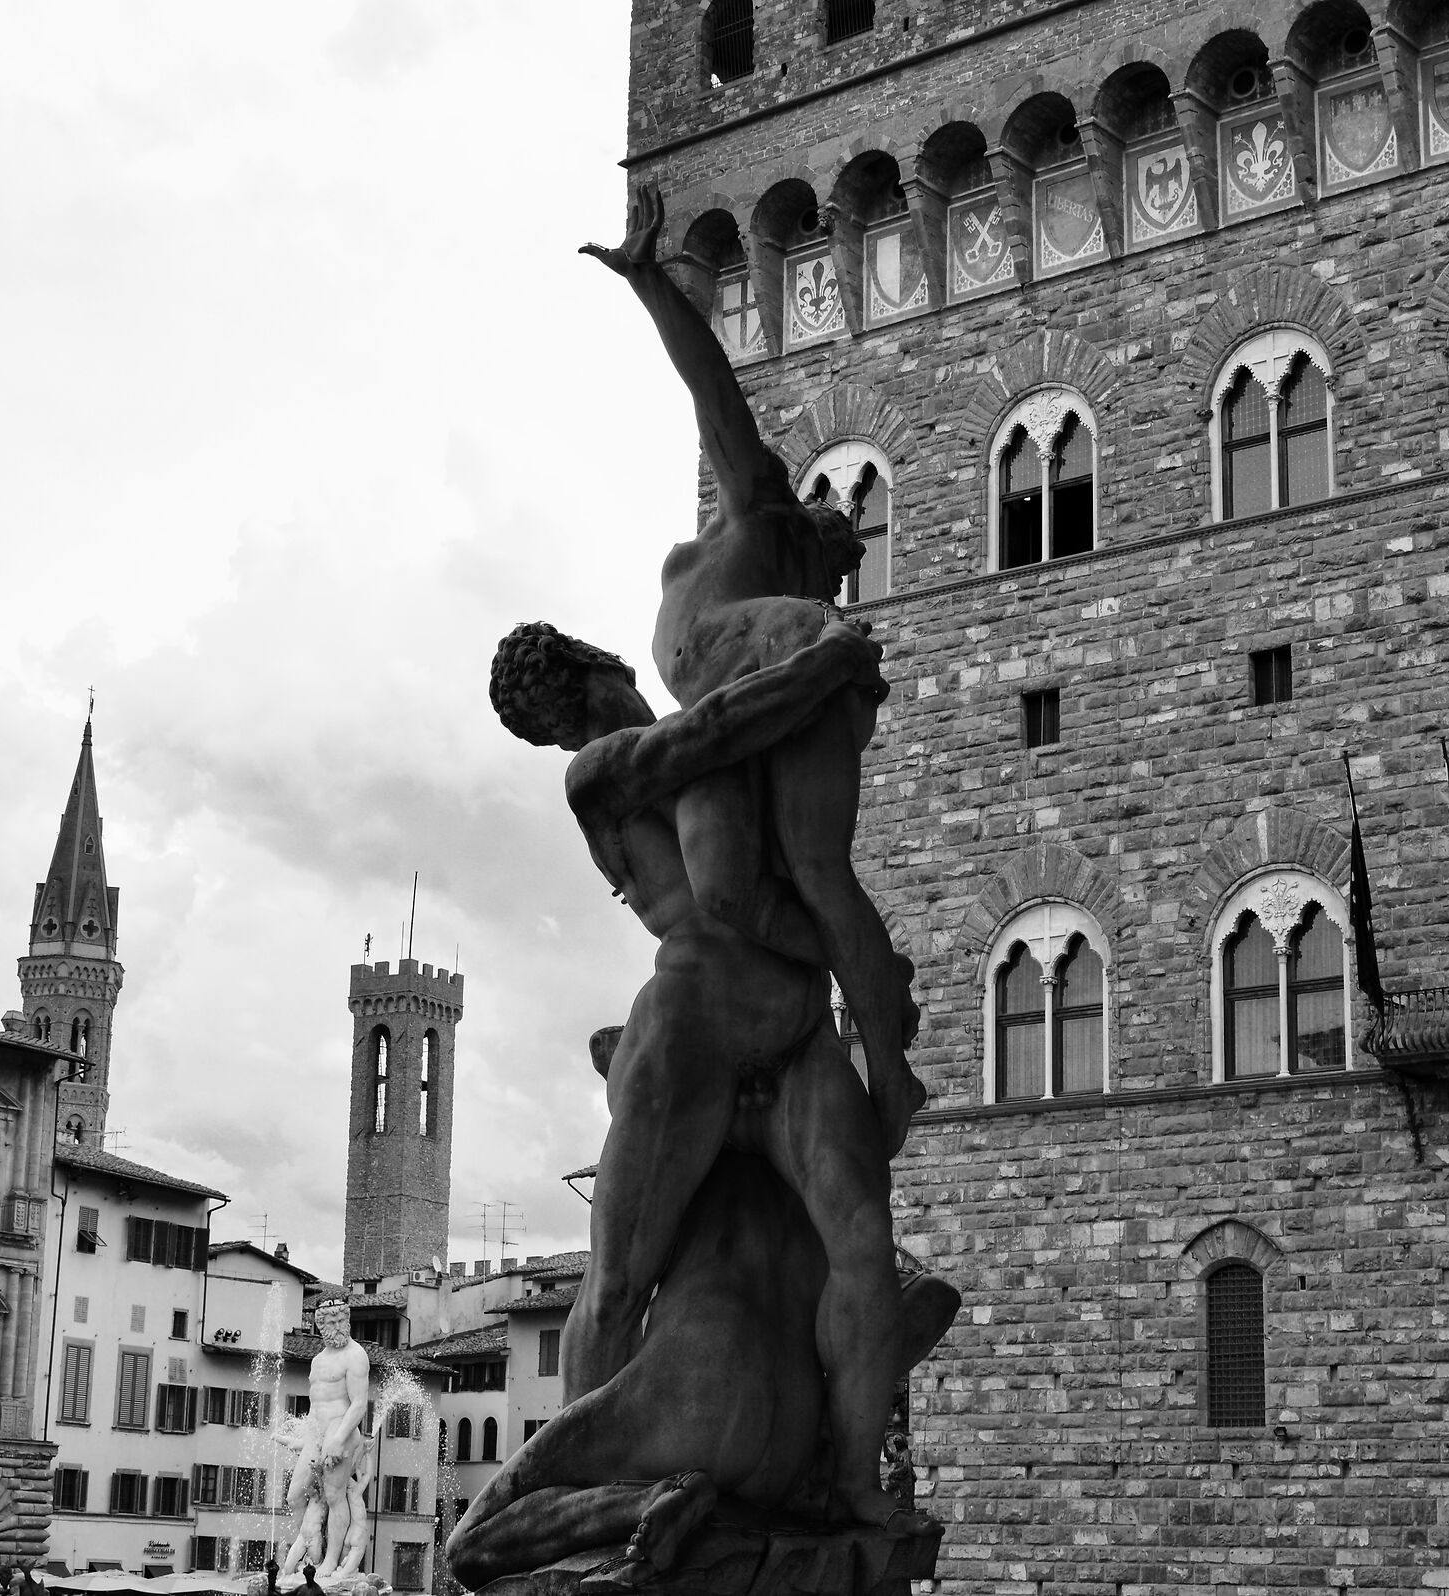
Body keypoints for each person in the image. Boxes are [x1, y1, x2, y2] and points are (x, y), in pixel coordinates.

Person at [489, 616, 916, 1533]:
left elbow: (752, 754)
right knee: (613, 1280)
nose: (576, 731)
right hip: (691, 1029)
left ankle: (850, 1482)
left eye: (567, 715)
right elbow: (718, 727)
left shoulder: (689, 752)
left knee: (866, 1253)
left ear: (592, 665)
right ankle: (574, 1491)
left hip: (795, 1032)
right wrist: (828, 661)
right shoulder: (605, 769)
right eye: (560, 729)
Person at [577, 184, 927, 1158]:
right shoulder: (764, 512)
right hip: (781, 677)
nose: (840, 574)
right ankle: (874, 1005)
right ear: (812, 539)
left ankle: (890, 1069)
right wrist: (652, 284)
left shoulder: (735, 586)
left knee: (813, 869)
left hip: (786, 680)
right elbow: (714, 395)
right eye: (840, 563)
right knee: (753, 890)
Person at [444, 1147, 958, 1589]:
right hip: (794, 1433)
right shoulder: (829, 1138)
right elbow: (929, 1299)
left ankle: (650, 1499)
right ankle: (821, 1468)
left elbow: (611, 1295)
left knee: (468, 1546)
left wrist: (588, 1414)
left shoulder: (684, 1109)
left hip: (697, 1395)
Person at [275, 1298, 374, 1582]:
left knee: (333, 1496)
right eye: (331, 1322)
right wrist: (305, 1437)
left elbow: (358, 1405)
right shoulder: (318, 1361)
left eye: (342, 1320)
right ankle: (311, 1549)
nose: (338, 1327)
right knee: (295, 1495)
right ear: (320, 1325)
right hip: (317, 1434)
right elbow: (315, 1406)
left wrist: (339, 1438)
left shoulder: (355, 1355)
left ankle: (330, 1561)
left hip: (341, 1432)